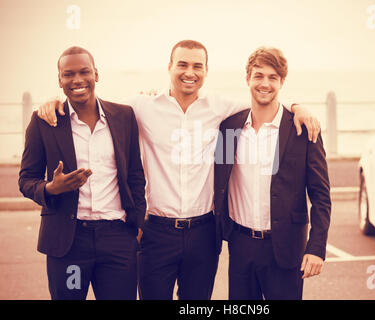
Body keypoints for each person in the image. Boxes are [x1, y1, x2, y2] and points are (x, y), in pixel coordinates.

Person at [36, 40, 321, 300]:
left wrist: (299, 108)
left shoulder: (222, 108)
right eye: (182, 64)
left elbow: (266, 100)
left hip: (204, 233)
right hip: (156, 233)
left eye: (197, 66)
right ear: (170, 67)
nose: (190, 72)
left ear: (206, 71)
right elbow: (96, 105)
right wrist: (54, 103)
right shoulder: (141, 107)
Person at [19, 46, 146, 300]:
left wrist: (137, 223)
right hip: (69, 243)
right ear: (60, 81)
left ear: (96, 74)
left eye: (84, 72)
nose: (77, 80)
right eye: (68, 74)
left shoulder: (123, 116)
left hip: (117, 240)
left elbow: (135, 175)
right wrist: (51, 188)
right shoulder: (44, 121)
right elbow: (26, 180)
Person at [214, 47, 331, 300]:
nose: (264, 83)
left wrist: (317, 247)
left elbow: (321, 196)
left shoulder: (302, 129)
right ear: (247, 79)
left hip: (286, 249)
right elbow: (220, 182)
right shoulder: (229, 128)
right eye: (258, 76)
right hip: (240, 246)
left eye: (272, 77)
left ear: (282, 82)